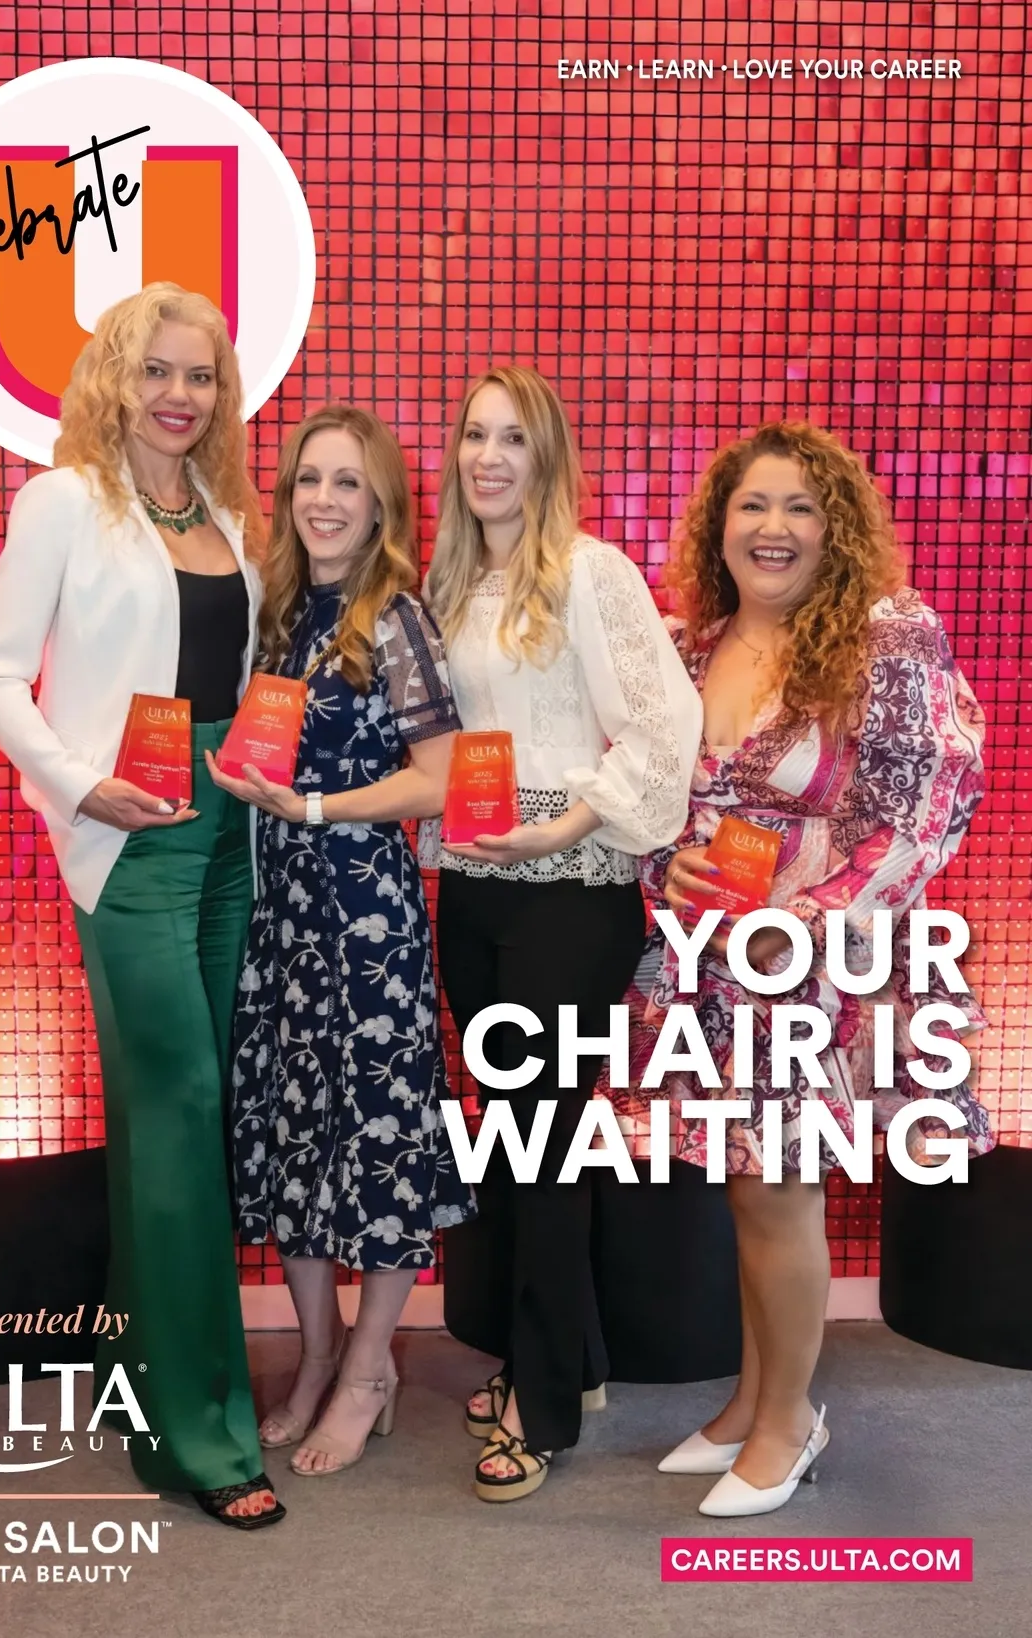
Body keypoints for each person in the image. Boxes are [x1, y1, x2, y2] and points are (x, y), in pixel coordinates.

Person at [598, 420, 994, 1517]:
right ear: (718, 526)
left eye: (800, 507)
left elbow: (931, 803)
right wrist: (666, 867)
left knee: (780, 1189)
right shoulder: (690, 645)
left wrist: (808, 923)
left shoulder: (886, 634)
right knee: (747, 1186)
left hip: (816, 967)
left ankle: (788, 1426)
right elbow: (651, 795)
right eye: (752, 505)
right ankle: (751, 1401)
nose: (773, 528)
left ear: (837, 528)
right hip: (710, 962)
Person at [0, 282, 285, 1529]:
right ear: (114, 378)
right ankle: (200, 1436)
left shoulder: (226, 513)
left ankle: (138, 1370)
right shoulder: (63, 502)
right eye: (157, 371)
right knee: (178, 1107)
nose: (178, 395)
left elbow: (234, 679)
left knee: (182, 1120)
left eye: (200, 376)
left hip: (228, 830)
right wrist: (77, 783)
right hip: (128, 837)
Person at [421, 365, 703, 1502]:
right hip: (471, 886)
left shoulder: (592, 571)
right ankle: (568, 1363)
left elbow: (664, 725)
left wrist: (569, 825)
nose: (489, 457)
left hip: (569, 890)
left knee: (541, 1144)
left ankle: (540, 1412)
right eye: (474, 435)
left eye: (514, 439)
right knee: (512, 1136)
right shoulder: (446, 583)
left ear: (547, 458)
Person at [207, 404, 474, 1478]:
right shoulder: (277, 613)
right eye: (308, 479)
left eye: (347, 483)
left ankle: (369, 1370)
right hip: (283, 918)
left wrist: (314, 809)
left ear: (381, 506)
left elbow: (440, 779)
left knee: (378, 1137)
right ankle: (318, 1356)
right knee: (297, 1135)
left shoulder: (395, 618)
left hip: (364, 915)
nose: (324, 500)